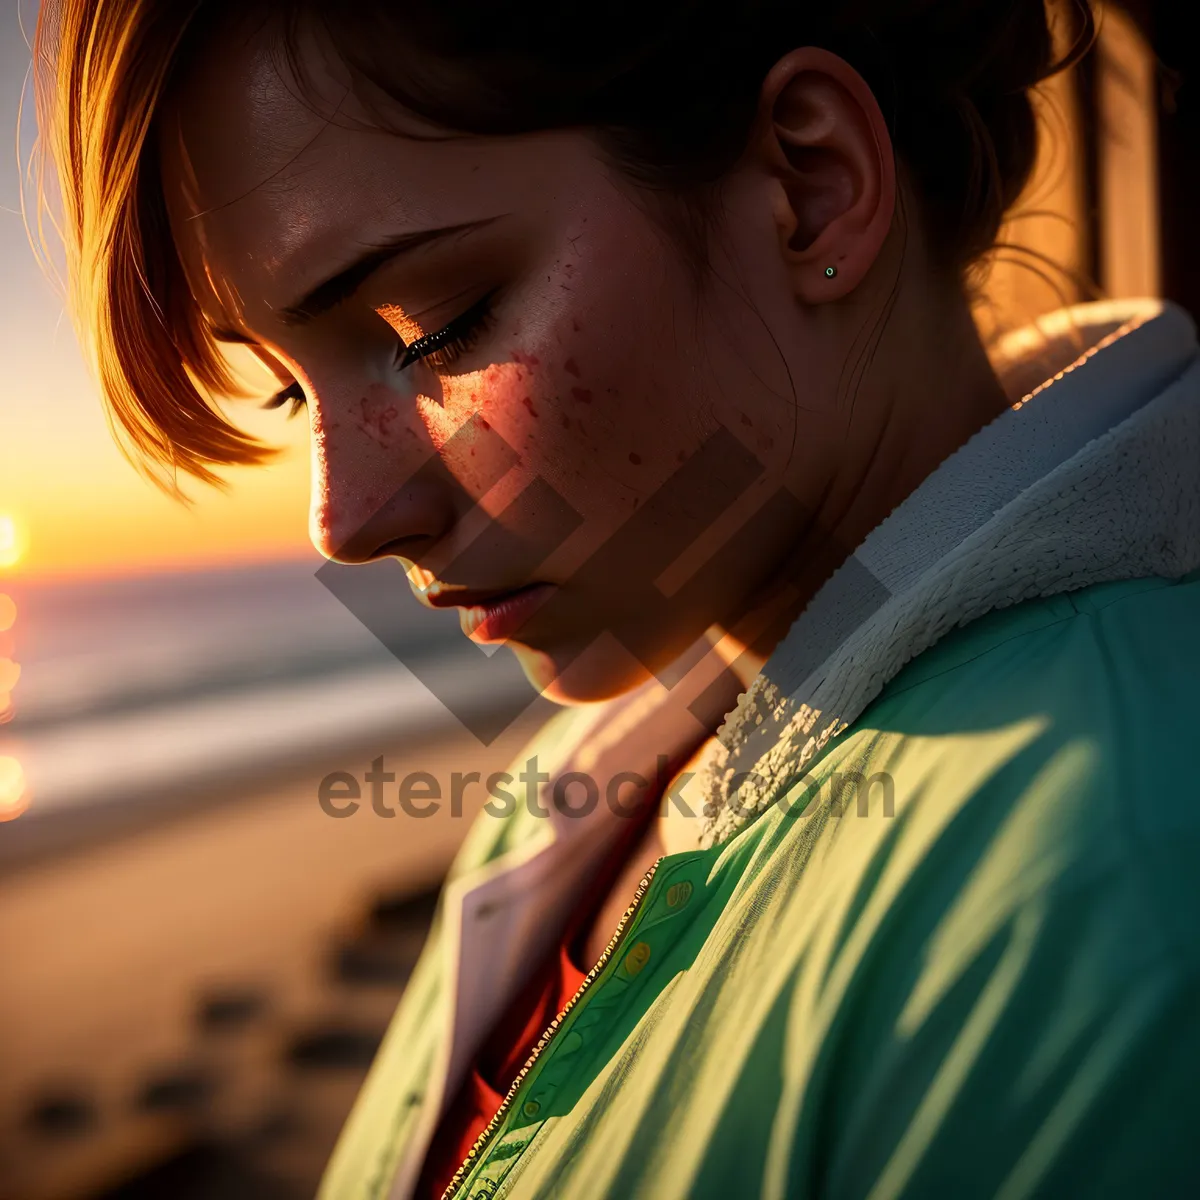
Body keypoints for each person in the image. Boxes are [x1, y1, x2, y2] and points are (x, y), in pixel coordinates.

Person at [33, 1, 1200, 1196]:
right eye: (289, 392)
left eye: (432, 327)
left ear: (812, 182)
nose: (344, 518)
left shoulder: (1109, 891)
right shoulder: (581, 785)